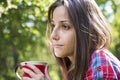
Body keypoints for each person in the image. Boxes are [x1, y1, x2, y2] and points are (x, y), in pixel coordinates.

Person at [21, 0, 120, 80]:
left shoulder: (99, 61)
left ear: (85, 30)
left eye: (65, 26)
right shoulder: (75, 68)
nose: (53, 36)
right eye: (53, 25)